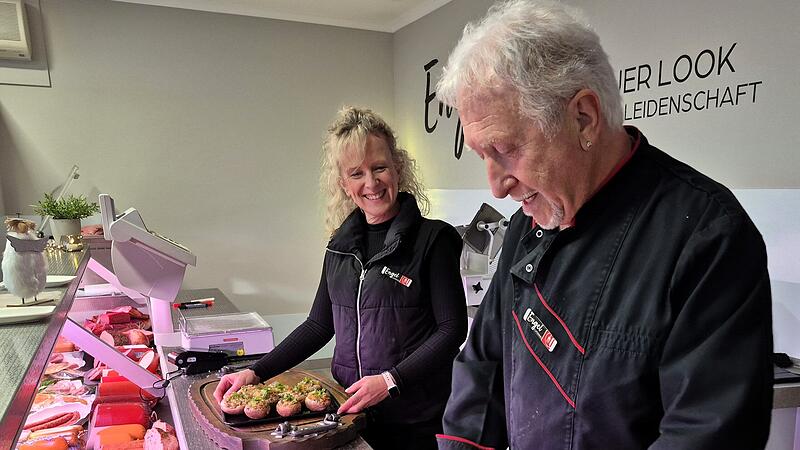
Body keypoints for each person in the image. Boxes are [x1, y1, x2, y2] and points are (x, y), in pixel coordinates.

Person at [433, 1, 773, 449]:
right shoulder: (523, 228)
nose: (495, 187)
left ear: (584, 118)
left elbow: (705, 433)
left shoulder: (709, 238)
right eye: (483, 156)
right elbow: (483, 371)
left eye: (506, 149)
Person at [213, 106, 468, 449]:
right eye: (357, 173)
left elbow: (452, 329)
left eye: (380, 168)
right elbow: (319, 324)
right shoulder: (339, 247)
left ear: (398, 168)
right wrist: (256, 371)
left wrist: (390, 381)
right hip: (349, 412)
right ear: (344, 184)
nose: (371, 183)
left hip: (416, 417)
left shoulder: (433, 240)